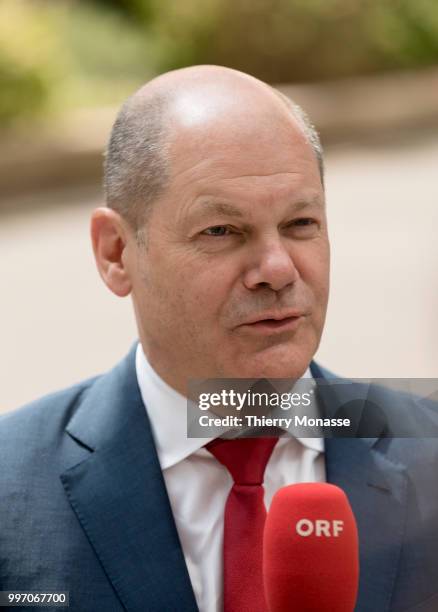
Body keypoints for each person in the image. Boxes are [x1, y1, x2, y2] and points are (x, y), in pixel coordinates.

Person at [0, 65, 437, 612]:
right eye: (221, 231)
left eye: (301, 223)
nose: (277, 269)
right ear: (116, 253)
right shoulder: (10, 487)